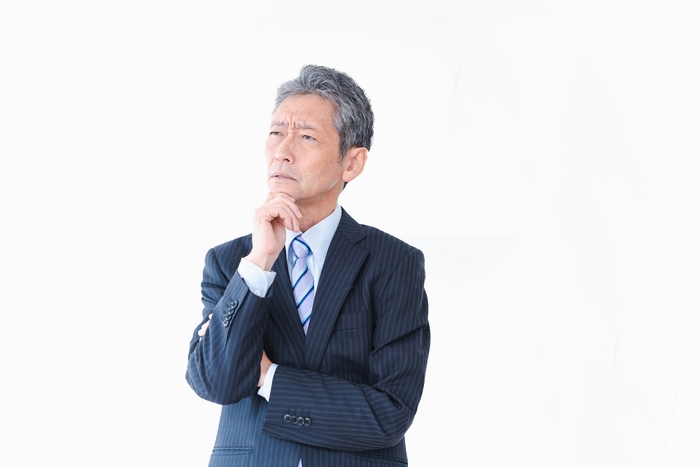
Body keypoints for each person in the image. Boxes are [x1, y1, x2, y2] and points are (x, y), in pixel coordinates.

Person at [186, 64, 430, 467]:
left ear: (351, 163)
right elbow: (216, 381)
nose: (282, 151)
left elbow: (389, 412)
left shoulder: (393, 263)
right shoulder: (232, 262)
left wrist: (268, 377)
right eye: (276, 132)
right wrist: (259, 264)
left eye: (306, 136)